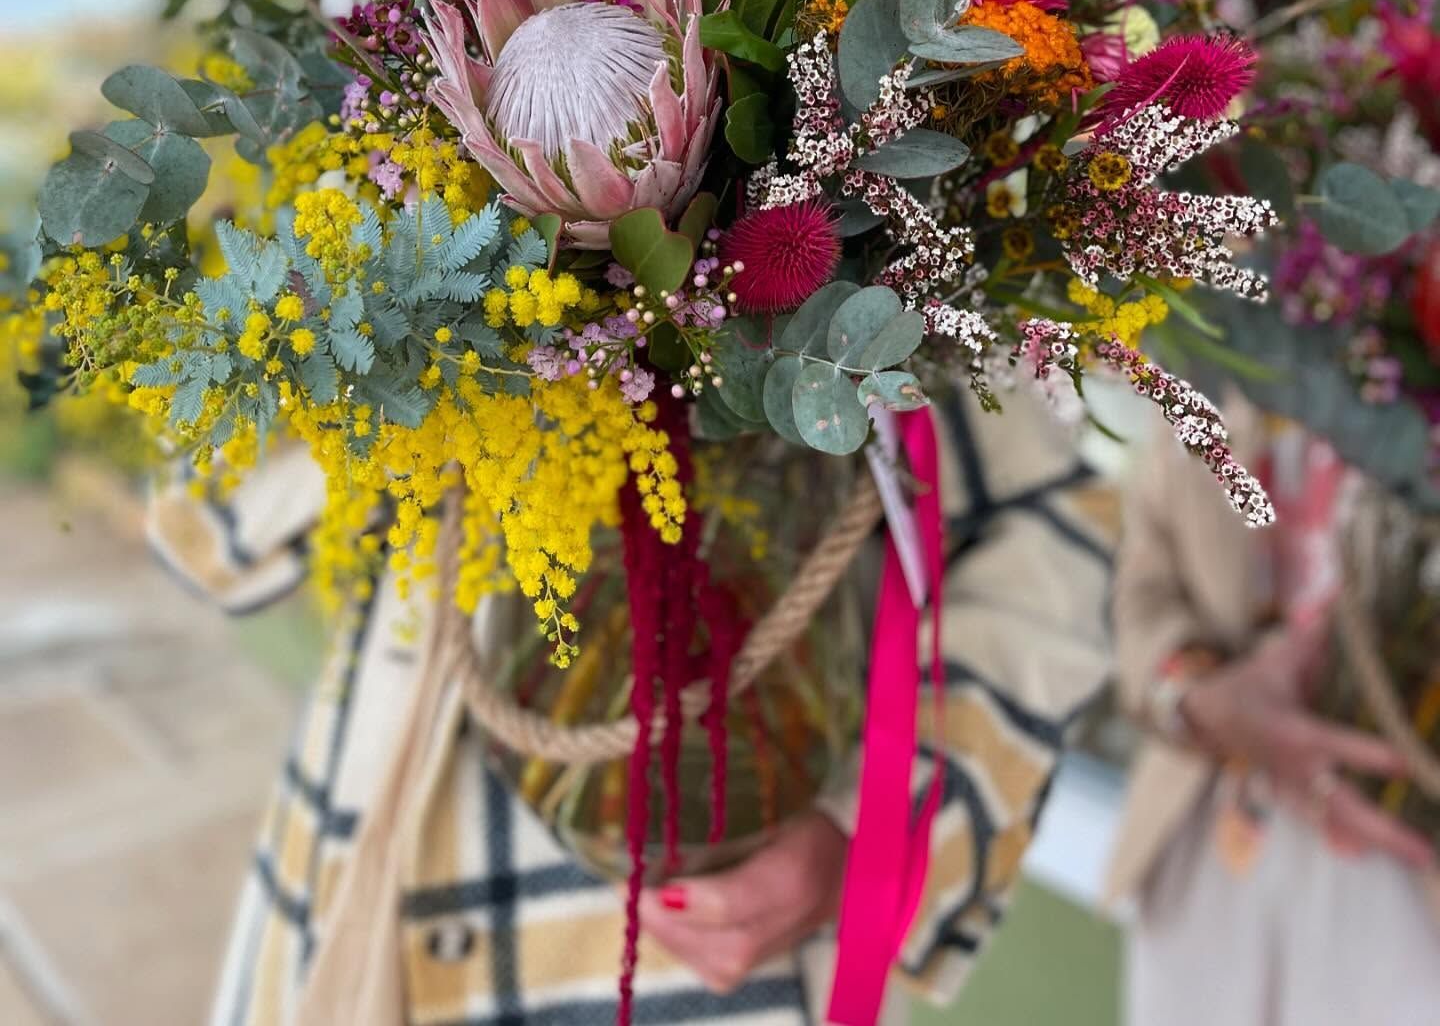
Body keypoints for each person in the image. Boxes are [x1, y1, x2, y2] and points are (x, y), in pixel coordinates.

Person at [149, 376, 1111, 1025]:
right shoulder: (361, 181)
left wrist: (876, 832)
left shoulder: (888, 177)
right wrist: (409, 328)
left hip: (719, 927)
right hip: (363, 878)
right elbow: (207, 541)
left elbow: (1053, 535)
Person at [1108, 400, 1440, 1025]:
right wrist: (1192, 695)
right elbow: (1144, 577)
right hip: (1206, 819)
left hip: (1406, 866)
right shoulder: (1212, 355)